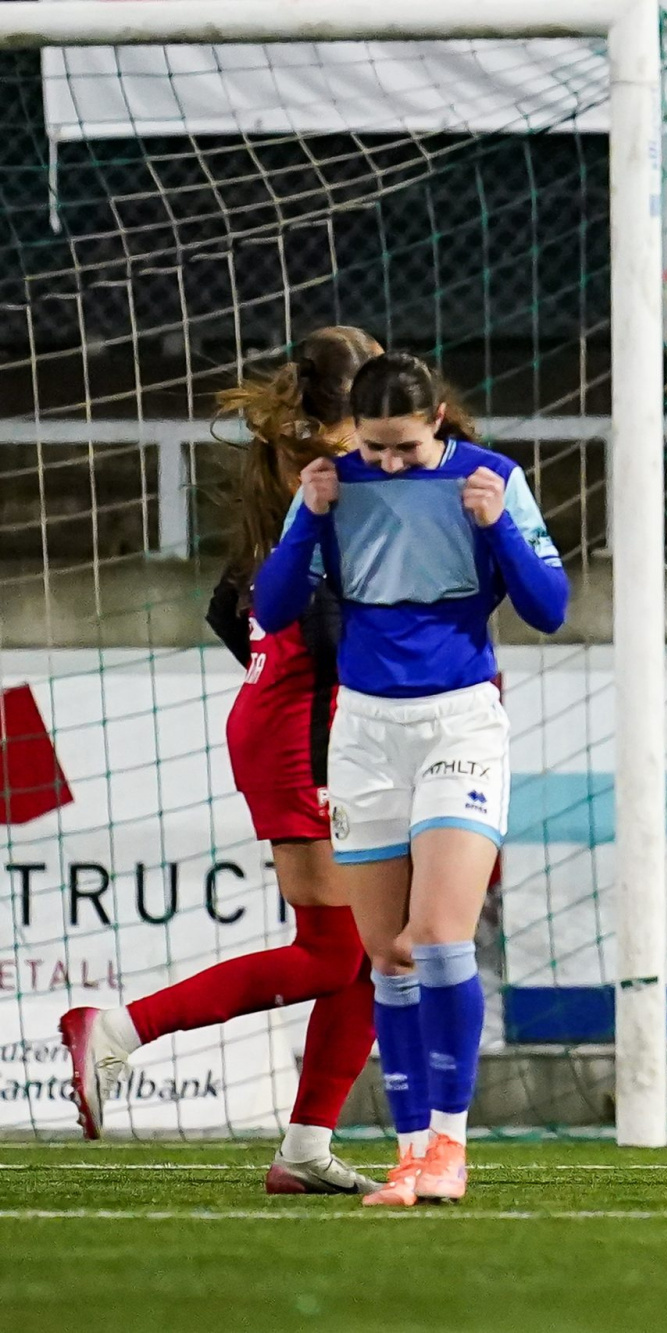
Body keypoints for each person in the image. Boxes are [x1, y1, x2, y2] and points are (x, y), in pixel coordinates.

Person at [60, 327, 385, 1195]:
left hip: (295, 712)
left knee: (365, 955)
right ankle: (117, 1028)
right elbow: (323, 622)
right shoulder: (338, 467)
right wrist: (313, 727)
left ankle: (306, 1147)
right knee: (338, 954)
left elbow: (227, 604)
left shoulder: (302, 460)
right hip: (304, 731)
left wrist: (272, 665)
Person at [255, 351, 568, 1205]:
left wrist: (499, 527)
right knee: (387, 954)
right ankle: (410, 1153)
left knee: (437, 935)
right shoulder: (331, 484)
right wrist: (311, 519)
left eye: (406, 445)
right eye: (375, 446)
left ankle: (451, 1146)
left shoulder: (490, 478)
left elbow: (548, 606)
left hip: (459, 721)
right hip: (362, 730)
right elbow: (274, 607)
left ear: (437, 419)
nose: (389, 463)